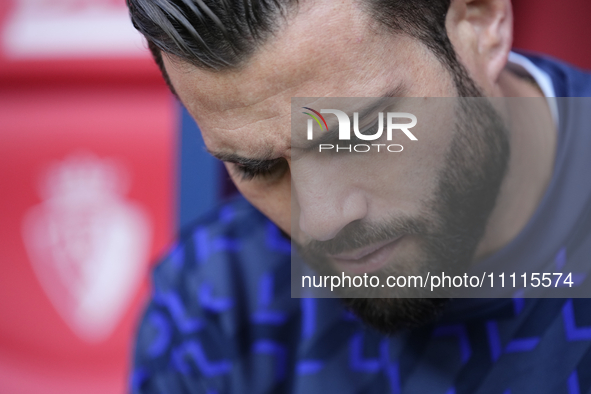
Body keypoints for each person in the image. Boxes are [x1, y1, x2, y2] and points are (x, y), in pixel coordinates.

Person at [127, 0, 591, 392]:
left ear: (479, 22)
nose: (323, 220)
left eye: (360, 133)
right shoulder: (217, 303)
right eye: (258, 167)